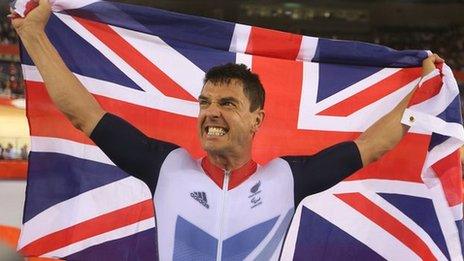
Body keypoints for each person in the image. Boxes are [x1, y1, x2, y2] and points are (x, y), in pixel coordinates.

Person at [11, 0, 444, 260]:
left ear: (257, 118)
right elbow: (84, 114)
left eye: (227, 104)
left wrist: (422, 90)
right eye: (205, 103)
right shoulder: (164, 165)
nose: (210, 113)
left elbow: (373, 144)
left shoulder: (288, 178)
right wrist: (34, 37)